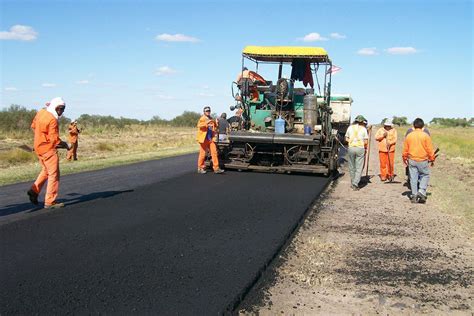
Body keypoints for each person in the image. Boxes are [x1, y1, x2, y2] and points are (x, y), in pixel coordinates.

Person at [27, 97, 69, 209]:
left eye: (63, 109)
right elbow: (55, 139)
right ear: (54, 106)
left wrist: (40, 138)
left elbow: (33, 126)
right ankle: (50, 201)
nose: (61, 111)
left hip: (38, 147)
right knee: (54, 174)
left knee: (46, 170)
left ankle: (34, 190)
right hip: (48, 150)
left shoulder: (41, 112)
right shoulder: (52, 120)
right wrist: (65, 144)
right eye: (60, 108)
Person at [402, 118, 436, 203]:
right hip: (423, 160)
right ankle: (421, 191)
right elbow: (430, 149)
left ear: (414, 125)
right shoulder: (425, 136)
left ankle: (414, 195)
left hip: (412, 160)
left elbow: (405, 149)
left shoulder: (409, 136)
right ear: (423, 126)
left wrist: (404, 158)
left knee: (413, 178)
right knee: (425, 175)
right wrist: (432, 159)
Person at [196, 106, 224, 174]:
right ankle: (200, 168)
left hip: (210, 139)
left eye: (209, 110)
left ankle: (216, 168)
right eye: (206, 111)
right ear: (204, 112)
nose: (208, 112)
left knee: (214, 153)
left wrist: (216, 123)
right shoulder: (202, 118)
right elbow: (199, 125)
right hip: (204, 139)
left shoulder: (211, 119)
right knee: (202, 154)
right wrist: (206, 123)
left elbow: (215, 127)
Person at [345, 115, 369, 190]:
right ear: (362, 121)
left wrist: (352, 142)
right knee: (359, 167)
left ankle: (353, 182)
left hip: (351, 148)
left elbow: (346, 139)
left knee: (352, 166)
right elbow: (366, 141)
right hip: (360, 149)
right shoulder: (363, 129)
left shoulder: (350, 127)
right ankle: (355, 184)